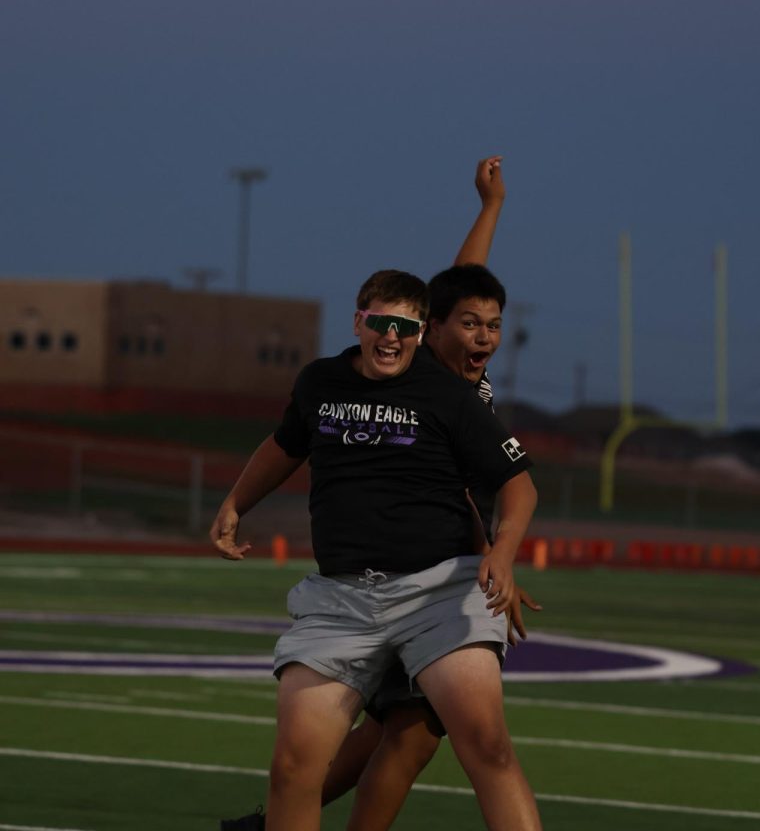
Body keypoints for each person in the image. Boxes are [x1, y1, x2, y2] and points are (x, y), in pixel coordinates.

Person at [212, 267, 543, 831]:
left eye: (405, 328)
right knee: (294, 767)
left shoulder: (451, 397)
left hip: (439, 594)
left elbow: (518, 482)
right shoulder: (319, 382)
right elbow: (284, 445)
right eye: (380, 323)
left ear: (422, 332)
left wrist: (503, 553)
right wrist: (234, 502)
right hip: (341, 600)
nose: (392, 338)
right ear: (358, 322)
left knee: (484, 745)